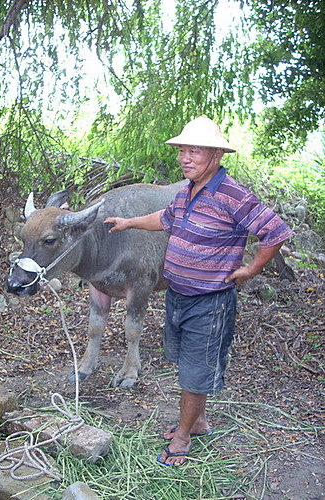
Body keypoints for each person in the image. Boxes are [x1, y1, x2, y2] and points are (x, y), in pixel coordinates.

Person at [104, 116, 293, 466]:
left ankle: (183, 437)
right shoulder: (188, 190)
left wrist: (251, 269)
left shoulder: (232, 194)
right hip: (179, 295)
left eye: (194, 151)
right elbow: (165, 218)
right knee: (189, 364)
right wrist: (129, 222)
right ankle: (199, 420)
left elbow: (276, 231)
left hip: (210, 301)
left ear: (217, 155)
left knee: (195, 369)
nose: (185, 158)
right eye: (182, 151)